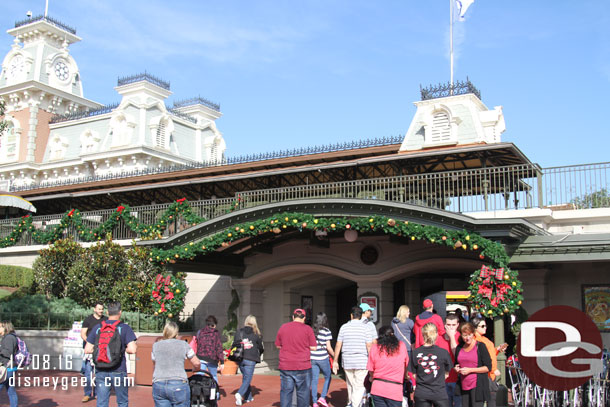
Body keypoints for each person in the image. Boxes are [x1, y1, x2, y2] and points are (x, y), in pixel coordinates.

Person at [85, 301, 137, 407]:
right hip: (119, 369)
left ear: (108, 312)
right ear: (120, 312)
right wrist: (122, 349)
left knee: (102, 402)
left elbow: (87, 349)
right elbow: (132, 350)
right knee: (122, 402)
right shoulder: (125, 328)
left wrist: (100, 349)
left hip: (101, 369)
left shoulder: (98, 328)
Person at [151, 321, 201, 407]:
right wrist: (196, 369)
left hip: (159, 383)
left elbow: (154, 363)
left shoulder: (156, 346)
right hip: (178, 382)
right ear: (176, 333)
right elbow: (196, 362)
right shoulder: (184, 345)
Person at [275, 308, 317, 407]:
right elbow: (314, 347)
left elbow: (278, 345)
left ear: (293, 317)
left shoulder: (283, 327)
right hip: (303, 365)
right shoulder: (307, 329)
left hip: (286, 364)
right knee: (303, 393)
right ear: (304, 318)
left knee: (286, 392)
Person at [332, 305, 373, 407]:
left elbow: (338, 344)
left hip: (347, 360)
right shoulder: (366, 327)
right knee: (359, 385)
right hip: (361, 360)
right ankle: (354, 404)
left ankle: (351, 402)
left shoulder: (344, 327)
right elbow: (369, 345)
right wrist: (372, 360)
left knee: (350, 384)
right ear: (360, 316)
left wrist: (335, 360)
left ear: (351, 315)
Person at [410, 323, 453, 407]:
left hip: (422, 392)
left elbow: (414, 375)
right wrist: (437, 379)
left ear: (423, 334)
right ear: (436, 334)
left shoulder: (415, 353)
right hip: (439, 392)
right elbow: (447, 374)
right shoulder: (443, 352)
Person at [366, 325, 409, 407]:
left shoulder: (375, 347)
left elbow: (371, 369)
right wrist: (406, 376)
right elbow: (406, 364)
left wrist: (372, 377)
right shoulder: (401, 346)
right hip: (395, 388)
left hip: (378, 387)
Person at [470, 317, 508, 407]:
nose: (485, 328)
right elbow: (483, 358)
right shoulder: (477, 340)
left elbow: (488, 354)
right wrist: (493, 369)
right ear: (475, 328)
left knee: (491, 397)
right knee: (490, 398)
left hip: (489, 373)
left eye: (485, 325)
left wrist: (497, 349)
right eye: (482, 326)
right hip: (487, 374)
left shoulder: (483, 339)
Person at [454, 322, 491, 407]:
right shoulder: (459, 348)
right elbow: (456, 363)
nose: (467, 338)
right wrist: (456, 368)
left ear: (473, 333)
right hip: (463, 385)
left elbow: (488, 367)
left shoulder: (480, 346)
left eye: (470, 335)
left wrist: (470, 370)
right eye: (465, 335)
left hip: (477, 385)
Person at [234, 315, 264, 406]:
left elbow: (235, 343)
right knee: (247, 378)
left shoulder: (239, 332)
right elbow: (260, 347)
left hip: (240, 358)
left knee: (245, 378)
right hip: (251, 358)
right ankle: (239, 394)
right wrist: (260, 353)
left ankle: (248, 397)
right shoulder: (256, 334)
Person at [80, 302, 107, 403]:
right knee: (88, 373)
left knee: (98, 373)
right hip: (89, 350)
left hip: (101, 350)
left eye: (102, 309)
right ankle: (87, 394)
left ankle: (97, 393)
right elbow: (83, 334)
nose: (101, 311)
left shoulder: (105, 320)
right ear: (94, 309)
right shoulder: (88, 320)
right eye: (99, 309)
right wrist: (90, 344)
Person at [435, 314, 461, 407]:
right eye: (449, 325)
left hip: (456, 379)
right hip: (442, 380)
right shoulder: (438, 338)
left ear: (458, 325)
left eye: (453, 325)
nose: (451, 328)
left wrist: (452, 337)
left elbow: (457, 355)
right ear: (444, 325)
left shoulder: (460, 337)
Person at [310, 312, 334, 407]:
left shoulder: (311, 331)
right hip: (323, 358)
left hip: (312, 357)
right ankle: (322, 397)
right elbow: (328, 347)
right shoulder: (326, 331)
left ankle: (314, 402)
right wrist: (335, 356)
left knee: (314, 380)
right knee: (328, 377)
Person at [195, 315, 224, 383]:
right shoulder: (216, 333)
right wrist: (222, 361)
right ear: (214, 324)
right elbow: (219, 347)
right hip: (212, 359)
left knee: (200, 376)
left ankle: (197, 391)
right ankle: (215, 392)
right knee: (213, 376)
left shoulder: (200, 332)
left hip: (201, 357)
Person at [0, 321, 18, 407]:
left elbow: (8, 352)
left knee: (11, 391)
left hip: (6, 368)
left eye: (0, 327)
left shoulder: (9, 338)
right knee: (11, 391)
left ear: (5, 327)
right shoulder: (11, 337)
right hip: (11, 368)